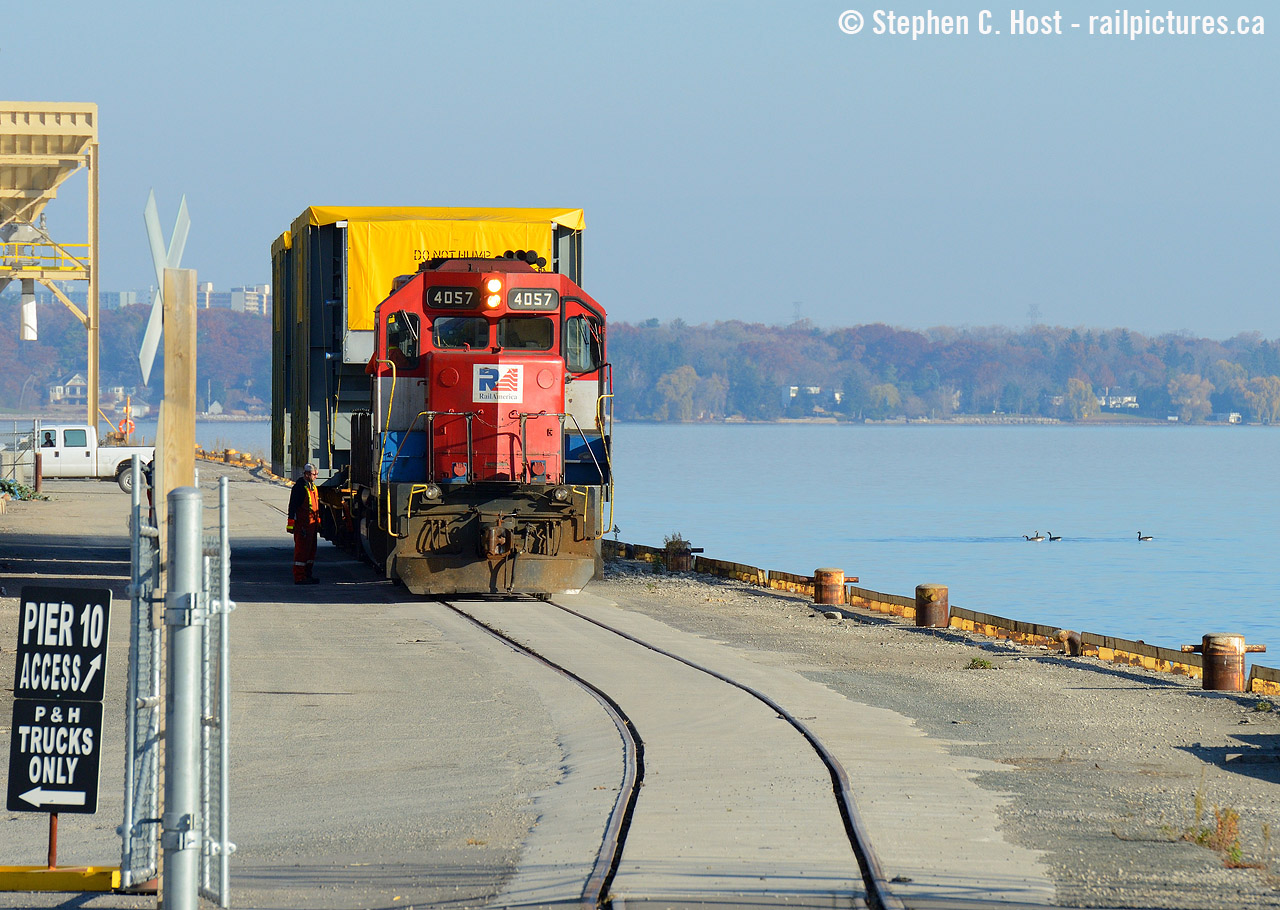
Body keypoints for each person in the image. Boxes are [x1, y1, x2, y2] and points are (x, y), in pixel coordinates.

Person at [287, 464, 321, 584]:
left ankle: (307, 574)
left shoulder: (313, 487)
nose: (316, 476)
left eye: (317, 474)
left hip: (311, 525)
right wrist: (291, 523)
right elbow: (293, 507)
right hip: (303, 526)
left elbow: (315, 506)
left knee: (311, 551)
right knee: (301, 552)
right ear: (306, 474)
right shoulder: (299, 488)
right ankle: (299, 576)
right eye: (314, 474)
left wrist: (318, 520)